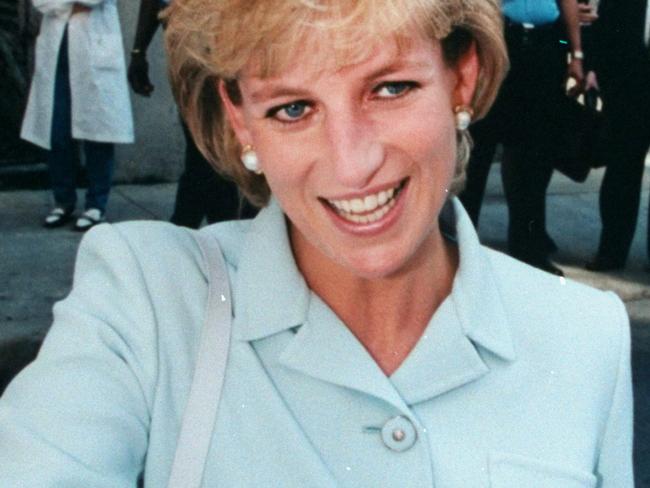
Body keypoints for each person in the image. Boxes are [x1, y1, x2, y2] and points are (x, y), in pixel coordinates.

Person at [0, 0, 633, 485]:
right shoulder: (144, 302)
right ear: (240, 117)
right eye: (293, 109)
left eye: (390, 88)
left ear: (461, 79)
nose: (351, 164)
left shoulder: (584, 338)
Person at [459, 0, 584, 276]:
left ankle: (528, 249)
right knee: (479, 149)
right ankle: (460, 248)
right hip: (500, 40)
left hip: (545, 43)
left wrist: (576, 54)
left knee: (534, 154)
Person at [128, 0, 256, 228]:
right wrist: (138, 51)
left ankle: (192, 225)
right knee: (205, 152)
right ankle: (200, 227)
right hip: (195, 55)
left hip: (240, 48)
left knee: (233, 153)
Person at [20, 0, 134, 231]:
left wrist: (61, 5)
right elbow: (40, 2)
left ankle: (96, 205)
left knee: (97, 131)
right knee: (57, 130)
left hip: (93, 42)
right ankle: (63, 201)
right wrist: (70, 6)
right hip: (57, 45)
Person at [583, 0, 650, 271]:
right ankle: (612, 251)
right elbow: (603, 21)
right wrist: (591, 66)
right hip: (629, 78)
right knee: (623, 168)